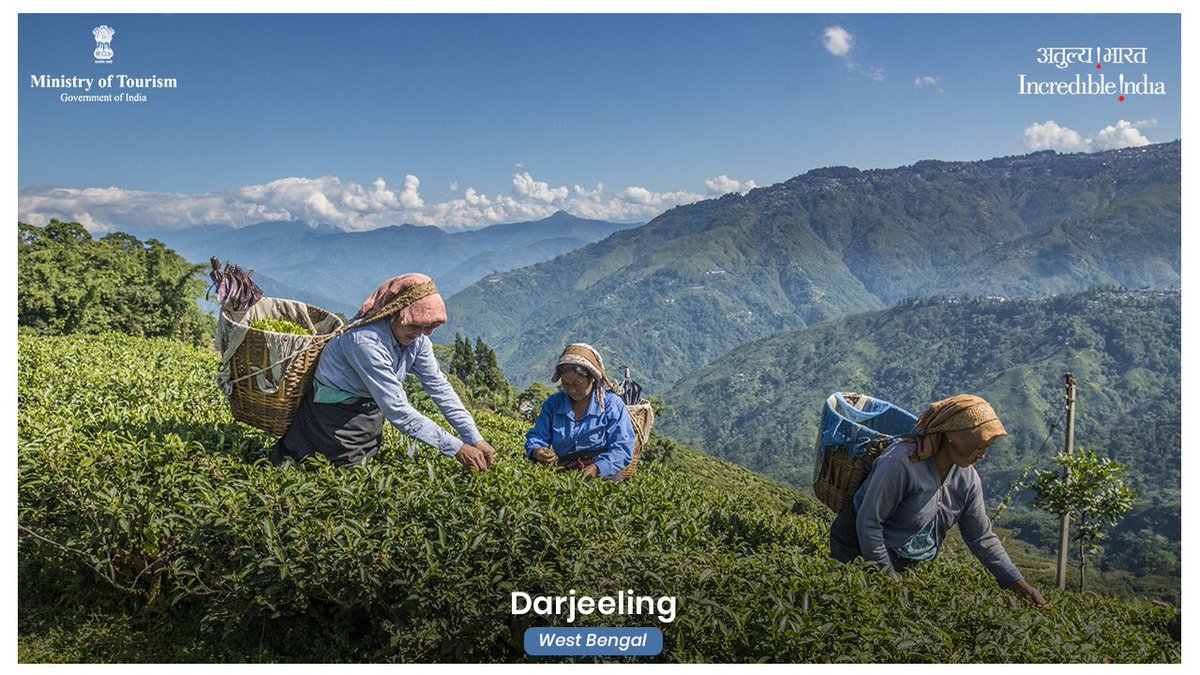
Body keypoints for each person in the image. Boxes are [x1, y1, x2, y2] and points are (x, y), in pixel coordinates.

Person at [830, 394, 1048, 608]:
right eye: (979, 445)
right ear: (953, 437)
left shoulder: (967, 479)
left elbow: (982, 537)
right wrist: (887, 581)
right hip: (855, 548)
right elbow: (868, 524)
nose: (982, 455)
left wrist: (1018, 584)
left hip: (902, 559)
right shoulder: (901, 463)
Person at [270, 273, 495, 471]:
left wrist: (473, 437)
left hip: (367, 415)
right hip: (332, 419)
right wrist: (455, 448)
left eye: (427, 327)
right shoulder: (365, 342)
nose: (421, 333)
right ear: (395, 314)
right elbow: (398, 411)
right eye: (415, 325)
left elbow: (439, 387)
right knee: (329, 475)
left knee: (364, 470)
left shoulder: (418, 340)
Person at [525, 343, 636, 480]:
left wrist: (597, 468)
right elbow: (538, 436)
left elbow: (622, 449)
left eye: (577, 385)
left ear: (592, 380)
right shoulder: (553, 404)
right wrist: (537, 450)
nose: (571, 390)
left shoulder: (611, 405)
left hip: (605, 474)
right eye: (566, 384)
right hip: (566, 474)